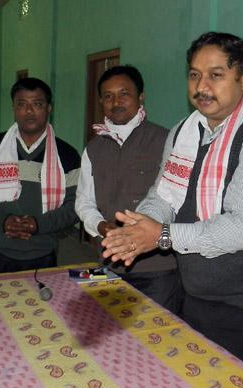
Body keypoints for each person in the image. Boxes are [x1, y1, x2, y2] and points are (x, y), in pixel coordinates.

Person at [102, 32, 243, 382]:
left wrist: (160, 237)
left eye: (216, 74)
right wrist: (139, 228)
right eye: (194, 75)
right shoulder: (184, 132)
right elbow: (164, 195)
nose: (202, 86)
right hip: (196, 295)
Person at [75, 65, 182, 312]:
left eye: (124, 94)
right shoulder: (94, 148)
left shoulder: (166, 141)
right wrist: (100, 226)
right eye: (108, 96)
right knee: (112, 334)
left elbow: (178, 200)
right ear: (101, 100)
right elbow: (83, 201)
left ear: (141, 96)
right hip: (110, 264)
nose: (116, 102)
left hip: (158, 268)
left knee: (159, 337)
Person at [0, 77, 80, 275]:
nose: (29, 111)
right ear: (14, 108)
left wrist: (38, 224)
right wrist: (3, 220)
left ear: (49, 108)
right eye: (21, 104)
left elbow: (75, 205)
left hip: (42, 252)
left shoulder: (67, 155)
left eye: (37, 104)